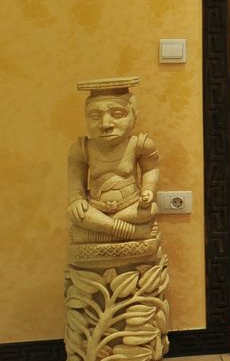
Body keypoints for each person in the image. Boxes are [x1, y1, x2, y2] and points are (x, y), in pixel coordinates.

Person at [67, 79, 160, 244]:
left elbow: (150, 169)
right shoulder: (81, 148)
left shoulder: (140, 144)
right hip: (95, 208)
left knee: (150, 209)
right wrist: (76, 200)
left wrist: (148, 191)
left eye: (117, 115)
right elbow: (75, 180)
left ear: (134, 116)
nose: (105, 124)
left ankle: (101, 230)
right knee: (77, 214)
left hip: (129, 207)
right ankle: (135, 233)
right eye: (95, 117)